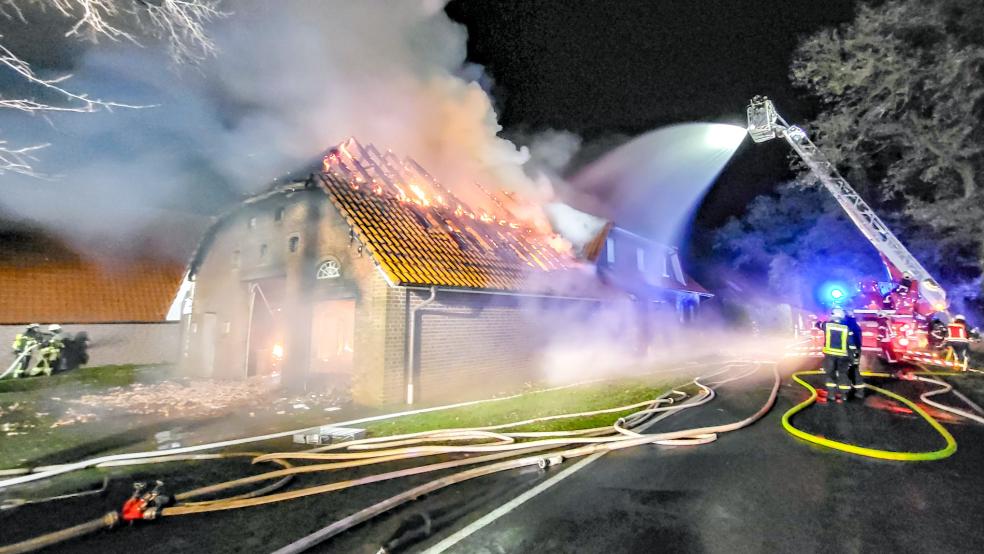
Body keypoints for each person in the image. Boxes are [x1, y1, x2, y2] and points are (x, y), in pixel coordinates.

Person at [819, 308, 859, 403]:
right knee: (843, 374)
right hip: (843, 356)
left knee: (830, 374)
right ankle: (844, 396)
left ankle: (831, 395)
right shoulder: (846, 328)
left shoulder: (826, 325)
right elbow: (851, 343)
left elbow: (818, 324)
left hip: (830, 355)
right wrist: (854, 354)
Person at [844, 310, 866, 399]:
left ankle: (855, 391)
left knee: (851, 370)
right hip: (855, 351)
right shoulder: (855, 325)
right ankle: (857, 390)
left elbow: (851, 341)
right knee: (853, 370)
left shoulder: (849, 326)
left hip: (852, 351)